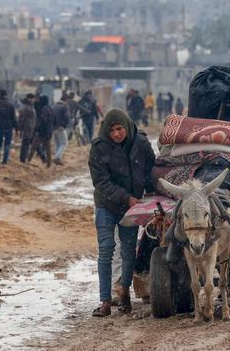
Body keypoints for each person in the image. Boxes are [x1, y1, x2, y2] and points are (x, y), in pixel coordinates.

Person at [89, 109, 155, 317]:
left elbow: (150, 170)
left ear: (127, 127)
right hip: (106, 205)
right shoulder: (99, 148)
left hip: (131, 208)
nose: (116, 134)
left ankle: (125, 293)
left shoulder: (141, 143)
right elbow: (100, 182)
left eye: (120, 129)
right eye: (112, 130)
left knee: (128, 252)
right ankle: (105, 301)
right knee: (106, 249)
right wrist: (126, 197)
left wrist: (151, 195)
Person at [0, 89, 18, 164]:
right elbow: (13, 118)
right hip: (8, 127)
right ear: (6, 95)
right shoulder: (10, 104)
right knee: (7, 143)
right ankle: (5, 160)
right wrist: (16, 128)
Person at [29, 95, 54, 168]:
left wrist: (36, 128)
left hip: (42, 132)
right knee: (48, 148)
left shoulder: (44, 110)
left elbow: (42, 120)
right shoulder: (50, 109)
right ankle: (48, 164)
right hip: (48, 131)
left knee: (34, 146)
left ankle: (28, 160)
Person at [52, 92, 71, 165]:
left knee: (58, 144)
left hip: (53, 127)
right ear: (66, 100)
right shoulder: (64, 107)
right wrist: (64, 125)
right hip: (60, 127)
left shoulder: (54, 106)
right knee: (64, 143)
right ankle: (57, 157)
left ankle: (58, 159)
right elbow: (67, 117)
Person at [18, 94, 37, 163]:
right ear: (29, 98)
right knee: (25, 144)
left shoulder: (30, 106)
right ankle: (23, 158)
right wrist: (21, 128)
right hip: (26, 128)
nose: (33, 100)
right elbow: (21, 119)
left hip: (30, 128)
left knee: (27, 143)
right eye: (32, 99)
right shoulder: (26, 107)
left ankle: (25, 157)